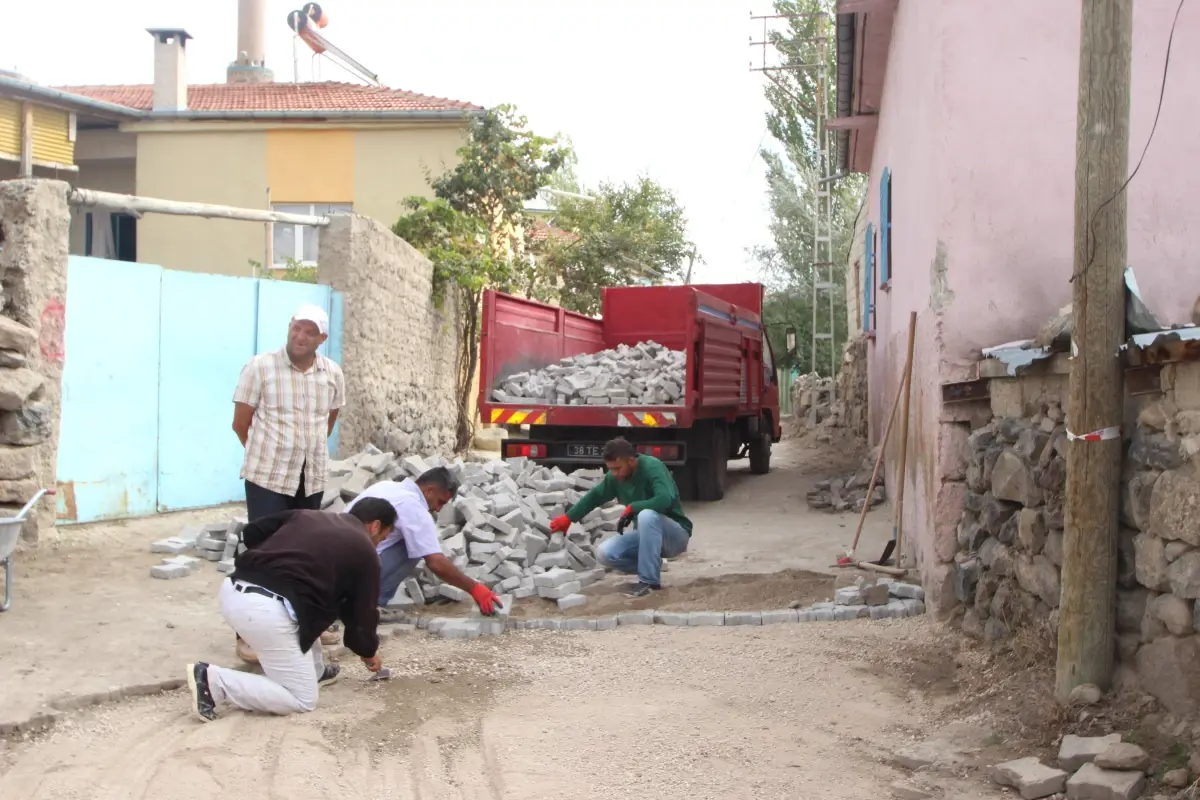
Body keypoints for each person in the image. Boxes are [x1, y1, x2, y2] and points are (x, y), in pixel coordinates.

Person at [185, 498, 396, 722]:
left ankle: (316, 672)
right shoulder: (366, 553)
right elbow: (360, 614)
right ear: (375, 526)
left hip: (233, 590)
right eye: (383, 537)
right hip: (265, 612)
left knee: (311, 603)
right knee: (302, 699)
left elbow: (253, 531)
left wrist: (274, 556)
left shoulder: (307, 516)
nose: (380, 544)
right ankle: (214, 681)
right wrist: (367, 651)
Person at [232, 303, 345, 661]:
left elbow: (329, 420)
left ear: (322, 338)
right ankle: (248, 632)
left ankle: (304, 621)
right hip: (267, 476)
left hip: (309, 477)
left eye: (310, 332)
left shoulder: (332, 374)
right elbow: (241, 423)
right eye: (297, 328)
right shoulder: (260, 367)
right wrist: (269, 454)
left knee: (305, 551)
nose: (300, 336)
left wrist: (305, 450)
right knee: (263, 551)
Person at [346, 467, 503, 615]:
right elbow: (435, 562)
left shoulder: (387, 486)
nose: (439, 509)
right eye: (440, 501)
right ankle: (369, 607)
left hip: (337, 568)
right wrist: (474, 588)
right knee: (416, 548)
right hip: (354, 575)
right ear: (429, 490)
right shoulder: (414, 507)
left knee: (412, 540)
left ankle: (352, 601)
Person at [550, 436, 693, 598]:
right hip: (647, 537)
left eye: (618, 468)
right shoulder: (616, 477)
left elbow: (665, 499)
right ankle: (652, 564)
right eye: (610, 469)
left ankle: (649, 582)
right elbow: (595, 496)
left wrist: (634, 507)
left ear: (631, 461)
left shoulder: (652, 467)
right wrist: (569, 518)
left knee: (646, 515)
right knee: (605, 553)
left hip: (675, 535)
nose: (614, 473)